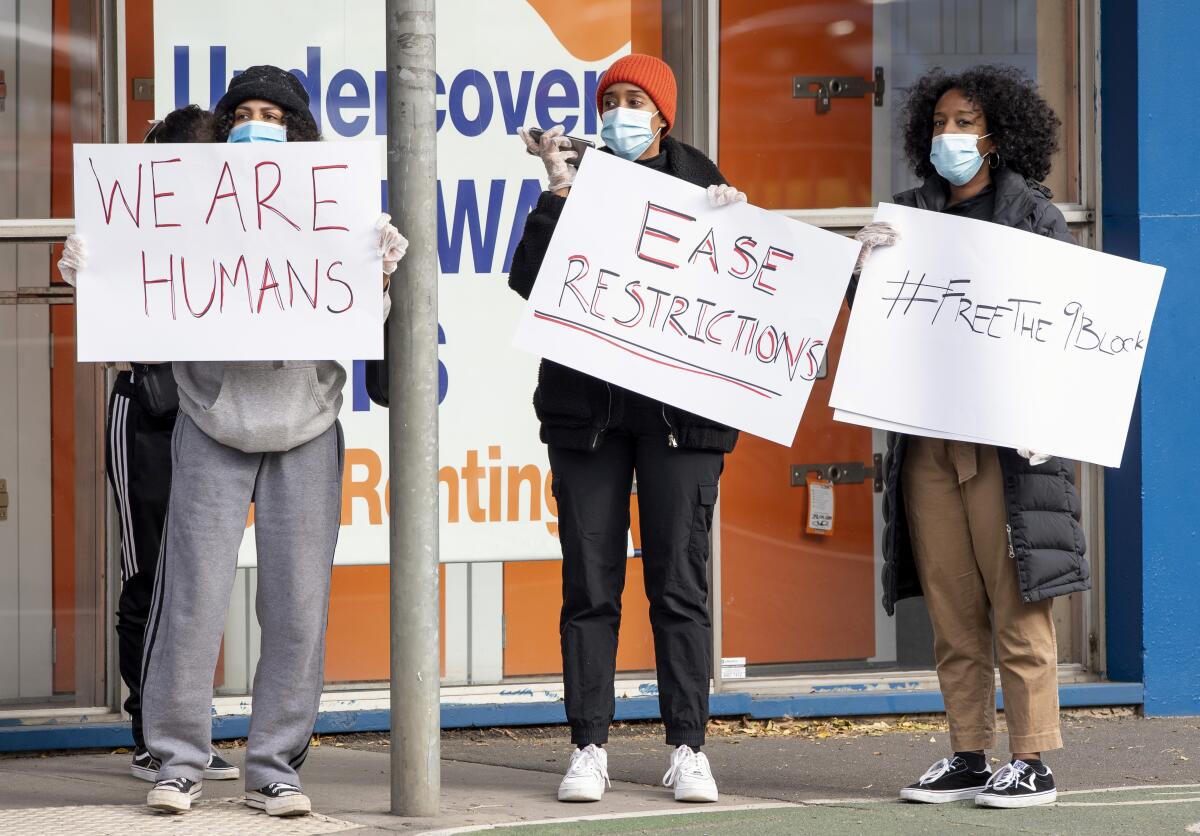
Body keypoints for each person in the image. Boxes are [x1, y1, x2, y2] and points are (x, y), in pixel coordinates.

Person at [61, 66, 406, 817]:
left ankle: (275, 765)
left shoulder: (334, 210)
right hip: (211, 422)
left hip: (306, 425)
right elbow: (139, 300)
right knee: (188, 599)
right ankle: (178, 760)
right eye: (244, 114)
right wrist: (92, 276)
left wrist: (376, 273)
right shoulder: (188, 208)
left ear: (298, 131)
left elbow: (359, 322)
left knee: (297, 605)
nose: (257, 126)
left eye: (272, 116)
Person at [509, 53, 748, 805]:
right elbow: (529, 279)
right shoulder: (576, 186)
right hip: (588, 417)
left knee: (679, 584)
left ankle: (688, 745)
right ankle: (589, 746)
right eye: (609, 99)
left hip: (681, 423)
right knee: (590, 585)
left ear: (664, 115)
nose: (620, 112)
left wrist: (740, 228)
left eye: (635, 99)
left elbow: (745, 293)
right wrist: (556, 197)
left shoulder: (707, 189)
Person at [854, 64, 1090, 810]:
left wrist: (1045, 415)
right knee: (954, 611)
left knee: (1016, 602)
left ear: (998, 135)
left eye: (964, 122)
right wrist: (864, 267)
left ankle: (1031, 759)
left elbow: (1068, 326)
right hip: (929, 442)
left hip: (1006, 448)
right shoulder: (908, 216)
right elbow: (874, 326)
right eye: (940, 123)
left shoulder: (1033, 219)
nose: (949, 135)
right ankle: (966, 753)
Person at [57, 105, 240, 785]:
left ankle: (187, 733)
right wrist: (83, 267)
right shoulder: (130, 225)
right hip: (148, 411)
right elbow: (99, 288)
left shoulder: (242, 226)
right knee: (150, 577)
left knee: (199, 578)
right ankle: (150, 735)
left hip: (211, 413)